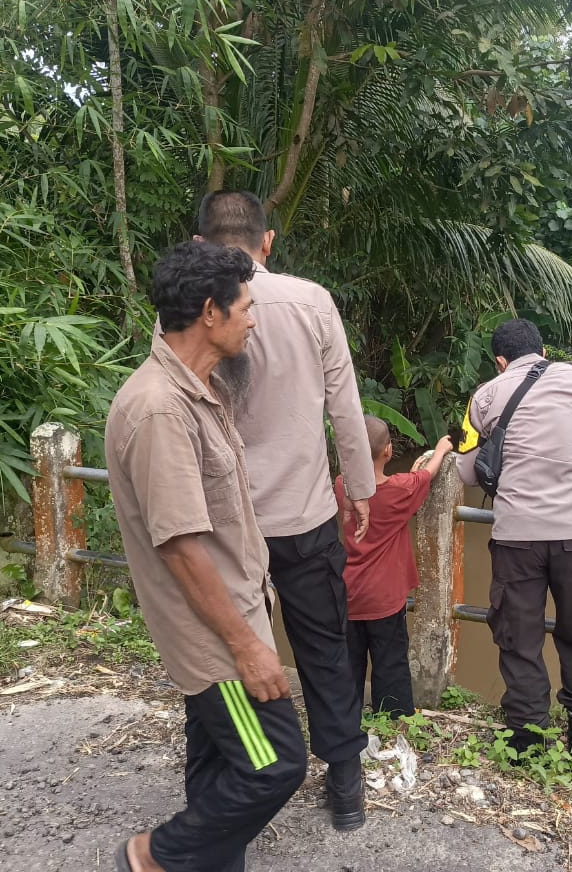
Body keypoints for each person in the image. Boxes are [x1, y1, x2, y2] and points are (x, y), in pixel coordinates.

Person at [104, 241, 305, 872]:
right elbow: (181, 546)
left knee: (219, 759)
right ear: (212, 313)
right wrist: (247, 646)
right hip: (217, 636)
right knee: (274, 764)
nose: (254, 318)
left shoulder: (196, 389)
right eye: (246, 307)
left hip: (231, 612)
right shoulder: (160, 409)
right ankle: (154, 855)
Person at [197, 191, 376, 831]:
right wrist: (360, 488)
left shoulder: (198, 311)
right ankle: (346, 785)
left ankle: (233, 779)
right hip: (305, 517)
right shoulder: (312, 301)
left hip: (226, 522)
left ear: (203, 245)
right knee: (325, 648)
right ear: (266, 241)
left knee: (232, 648)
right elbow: (345, 407)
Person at [456, 318, 572, 753]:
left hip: (517, 537)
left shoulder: (485, 394)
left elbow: (466, 470)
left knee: (519, 635)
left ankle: (527, 732)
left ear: (501, 361)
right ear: (543, 351)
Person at [335, 417, 454, 719]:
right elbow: (424, 476)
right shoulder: (401, 490)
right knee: (390, 660)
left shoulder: (340, 486)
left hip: (349, 593)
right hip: (385, 598)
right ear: (388, 451)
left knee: (350, 660)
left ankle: (347, 715)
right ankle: (393, 716)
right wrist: (440, 449)